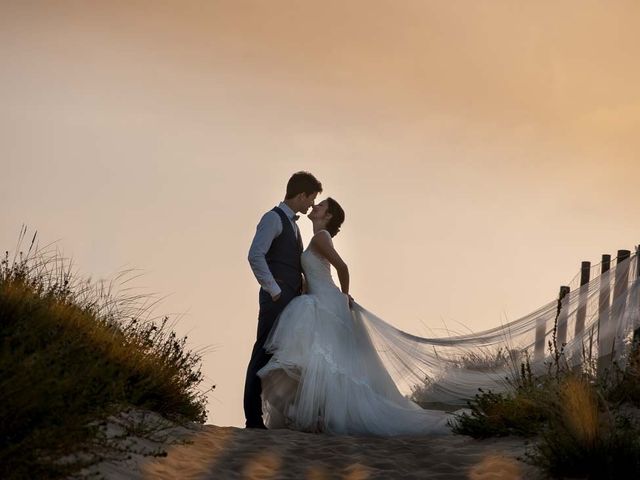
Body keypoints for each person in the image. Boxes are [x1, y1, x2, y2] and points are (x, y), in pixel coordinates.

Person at [257, 198, 452, 436]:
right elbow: (314, 274)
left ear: (327, 216)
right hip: (315, 300)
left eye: (321, 206)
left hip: (326, 301)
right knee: (317, 364)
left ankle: (317, 417)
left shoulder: (321, 237)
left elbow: (343, 267)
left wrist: (344, 297)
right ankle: (313, 416)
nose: (315, 206)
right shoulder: (314, 239)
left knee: (321, 363)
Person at [244, 171, 323, 429]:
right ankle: (253, 418)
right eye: (310, 200)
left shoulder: (293, 224)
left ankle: (281, 413)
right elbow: (256, 255)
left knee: (280, 356)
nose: (311, 205)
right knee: (263, 353)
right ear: (301, 195)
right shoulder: (272, 219)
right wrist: (274, 290)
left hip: (291, 300)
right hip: (276, 299)